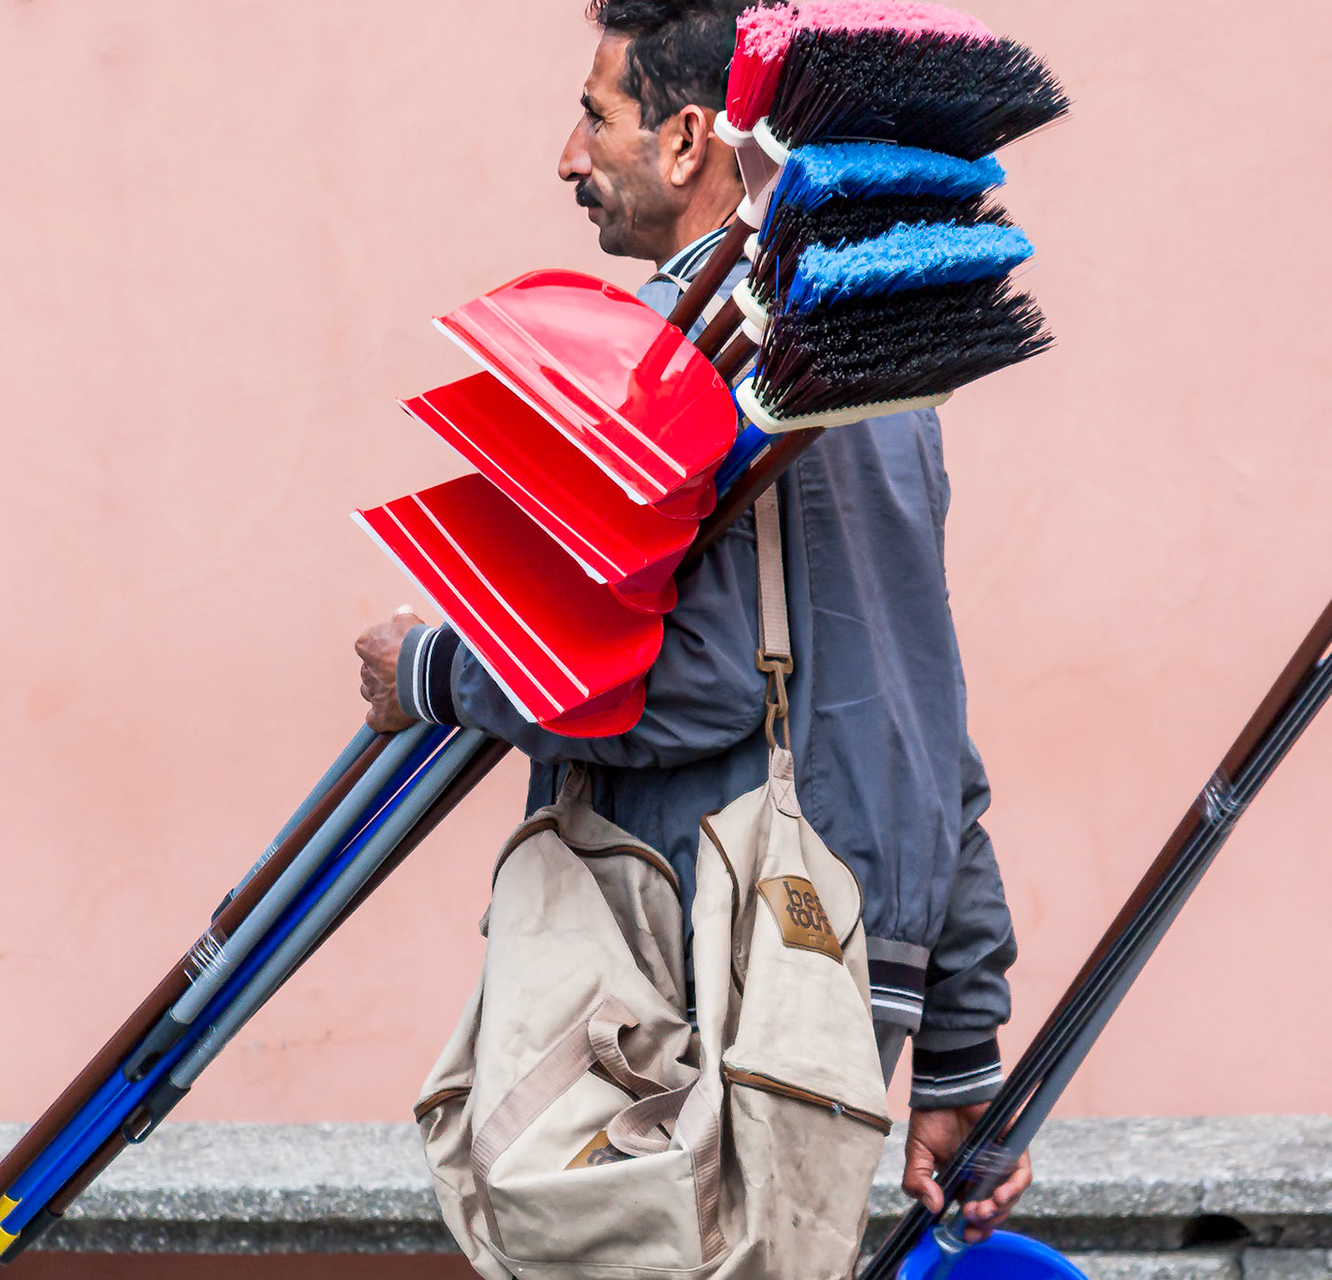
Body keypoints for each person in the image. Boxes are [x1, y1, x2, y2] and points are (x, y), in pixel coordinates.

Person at [355, 0, 1032, 1244]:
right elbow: (931, 718)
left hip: (713, 945)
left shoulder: (690, 368)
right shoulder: (887, 383)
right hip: (845, 952)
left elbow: (688, 685)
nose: (569, 156)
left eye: (594, 114)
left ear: (682, 140)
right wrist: (957, 1041)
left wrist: (440, 671)